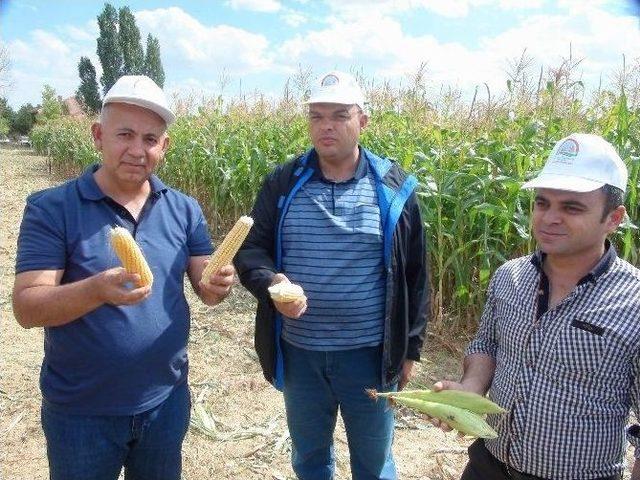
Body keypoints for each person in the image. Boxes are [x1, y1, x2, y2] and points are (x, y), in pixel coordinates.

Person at [12, 75, 235, 480]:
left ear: (164, 147)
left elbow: (207, 287)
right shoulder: (52, 208)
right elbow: (27, 307)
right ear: (98, 136)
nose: (138, 150)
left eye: (151, 139)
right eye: (125, 135)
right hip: (82, 412)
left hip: (166, 402)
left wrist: (216, 284)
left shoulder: (185, 209)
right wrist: (96, 289)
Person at [234, 70, 429, 479]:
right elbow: (251, 249)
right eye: (316, 115)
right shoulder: (284, 182)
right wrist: (272, 283)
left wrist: (409, 350)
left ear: (363, 121)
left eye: (340, 115)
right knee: (309, 457)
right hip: (301, 353)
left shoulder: (393, 187)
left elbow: (415, 274)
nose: (326, 126)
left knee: (374, 463)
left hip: (370, 356)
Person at [433, 133, 640, 480]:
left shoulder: (633, 302)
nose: (549, 217)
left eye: (571, 207)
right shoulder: (509, 277)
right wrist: (471, 388)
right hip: (487, 465)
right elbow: (487, 345)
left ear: (613, 218)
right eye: (542, 203)